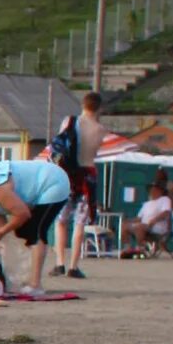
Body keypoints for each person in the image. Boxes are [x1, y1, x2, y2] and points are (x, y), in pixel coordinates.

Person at [0, 154, 73, 295]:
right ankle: (22, 279)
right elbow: (3, 236)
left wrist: (2, 232)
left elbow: (23, 214)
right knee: (21, 233)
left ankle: (35, 285)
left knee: (36, 232)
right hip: (37, 187)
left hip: (53, 182)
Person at [56, 90, 108, 279]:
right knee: (80, 222)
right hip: (88, 176)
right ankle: (73, 266)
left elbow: (59, 145)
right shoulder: (101, 130)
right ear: (99, 108)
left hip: (68, 175)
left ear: (82, 105)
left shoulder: (69, 122)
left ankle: (59, 262)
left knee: (61, 220)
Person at [139, 176, 173, 257]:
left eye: (154, 189)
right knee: (124, 226)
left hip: (157, 227)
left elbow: (166, 212)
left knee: (139, 228)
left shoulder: (165, 199)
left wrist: (153, 220)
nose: (152, 191)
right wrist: (127, 221)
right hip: (144, 226)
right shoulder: (146, 204)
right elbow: (139, 218)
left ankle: (143, 248)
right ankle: (128, 249)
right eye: (151, 189)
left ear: (160, 191)